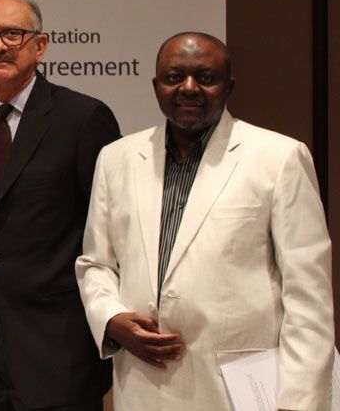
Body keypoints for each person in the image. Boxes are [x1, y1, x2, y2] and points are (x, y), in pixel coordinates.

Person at [76, 32, 334, 410]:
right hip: (144, 388)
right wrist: (110, 318)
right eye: (174, 77)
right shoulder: (117, 159)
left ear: (228, 87)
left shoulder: (279, 158)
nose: (189, 88)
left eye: (205, 78)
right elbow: (96, 263)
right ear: (156, 86)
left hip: (240, 389)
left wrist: (300, 402)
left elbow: (308, 296)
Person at [0, 0, 119, 410]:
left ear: (40, 46)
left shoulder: (83, 119)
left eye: (13, 34)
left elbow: (110, 229)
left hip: (57, 348)